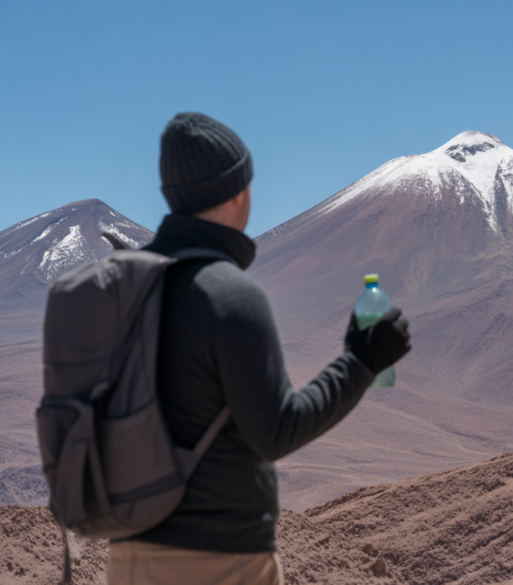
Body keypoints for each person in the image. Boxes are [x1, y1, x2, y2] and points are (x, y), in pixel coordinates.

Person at [106, 112, 411, 585]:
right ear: (237, 193)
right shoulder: (229, 294)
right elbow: (276, 431)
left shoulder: (127, 287)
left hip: (131, 557)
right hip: (221, 560)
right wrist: (363, 360)